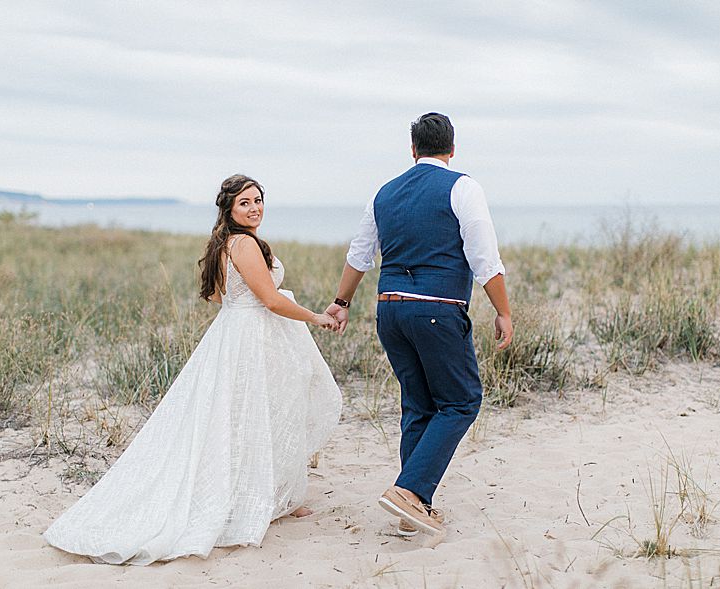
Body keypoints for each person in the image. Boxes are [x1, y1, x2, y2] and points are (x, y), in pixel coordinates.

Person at [43, 174, 343, 565]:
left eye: (258, 200)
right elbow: (269, 300)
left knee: (245, 418)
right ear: (230, 209)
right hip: (249, 338)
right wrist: (316, 318)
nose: (254, 208)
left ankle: (274, 500)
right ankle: (258, 503)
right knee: (252, 417)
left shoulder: (224, 243)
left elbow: (220, 296)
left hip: (233, 334)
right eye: (245, 203)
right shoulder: (245, 243)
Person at [326, 112, 513, 539]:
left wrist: (341, 302)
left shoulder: (385, 193)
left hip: (389, 310)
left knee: (418, 404)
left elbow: (360, 255)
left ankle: (414, 506)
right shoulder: (462, 186)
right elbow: (485, 258)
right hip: (436, 310)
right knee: (462, 401)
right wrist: (502, 311)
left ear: (412, 150)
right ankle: (409, 490)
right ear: (452, 148)